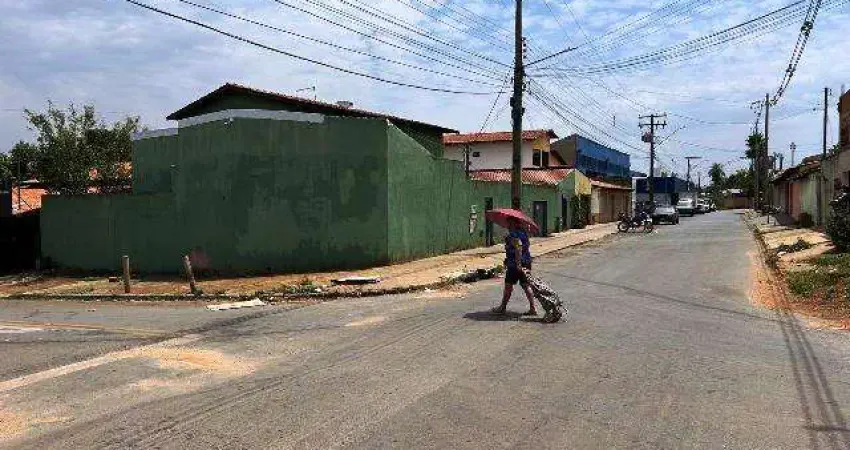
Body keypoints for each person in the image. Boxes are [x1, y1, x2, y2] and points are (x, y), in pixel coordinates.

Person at [492, 217, 537, 316]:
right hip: (526, 262)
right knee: (526, 285)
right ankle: (533, 308)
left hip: (515, 265)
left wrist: (518, 264)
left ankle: (502, 307)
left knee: (508, 285)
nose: (507, 225)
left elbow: (518, 247)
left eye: (509, 223)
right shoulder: (524, 233)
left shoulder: (513, 235)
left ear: (514, 224)